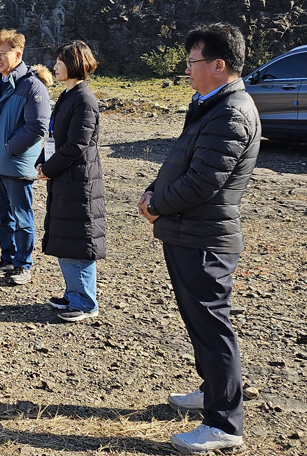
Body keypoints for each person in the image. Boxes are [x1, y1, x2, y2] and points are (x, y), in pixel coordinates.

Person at [138, 23, 259, 455]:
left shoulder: (232, 112)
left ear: (218, 65)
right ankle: (212, 392)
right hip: (191, 231)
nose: (186, 70)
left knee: (212, 327)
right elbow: (183, 160)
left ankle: (224, 423)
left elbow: (203, 181)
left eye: (192, 62)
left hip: (206, 236)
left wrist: (158, 204)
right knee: (200, 322)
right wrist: (156, 191)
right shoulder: (211, 104)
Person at [35, 41, 106, 322]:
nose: (55, 67)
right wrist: (44, 161)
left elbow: (77, 144)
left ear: (75, 63)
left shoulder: (84, 100)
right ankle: (73, 293)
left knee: (78, 240)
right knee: (66, 237)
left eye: (60, 62)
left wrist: (49, 168)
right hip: (66, 178)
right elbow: (55, 138)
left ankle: (85, 302)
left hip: (79, 182)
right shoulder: (69, 95)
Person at [0, 29, 50, 285]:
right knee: (2, 217)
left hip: (16, 165)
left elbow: (38, 125)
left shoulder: (31, 85)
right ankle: (7, 258)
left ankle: (23, 264)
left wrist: (9, 149)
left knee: (21, 217)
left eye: (3, 53)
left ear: (18, 54)